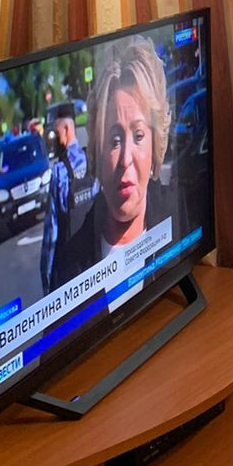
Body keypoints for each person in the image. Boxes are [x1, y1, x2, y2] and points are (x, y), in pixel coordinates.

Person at [50, 38, 174, 290]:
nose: (125, 159)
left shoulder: (179, 214)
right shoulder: (69, 265)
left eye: (138, 136)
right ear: (97, 151)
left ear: (155, 145)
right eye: (114, 141)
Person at [40, 102, 97, 293]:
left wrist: (47, 277)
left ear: (66, 129)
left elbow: (51, 233)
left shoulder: (59, 172)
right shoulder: (91, 160)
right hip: (95, 259)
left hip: (70, 269)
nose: (55, 140)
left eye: (56, 134)